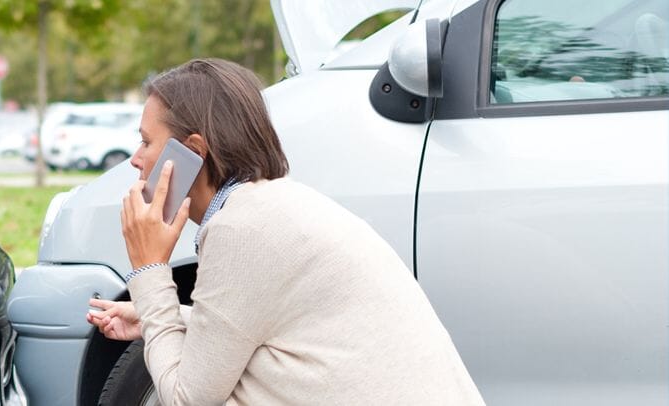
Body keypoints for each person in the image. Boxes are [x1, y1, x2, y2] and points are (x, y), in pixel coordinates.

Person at [86, 59, 484, 405]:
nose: (135, 161)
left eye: (145, 142)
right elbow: (260, 332)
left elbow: (189, 397)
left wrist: (149, 268)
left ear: (193, 150)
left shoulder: (241, 228)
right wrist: (164, 318)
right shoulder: (266, 207)